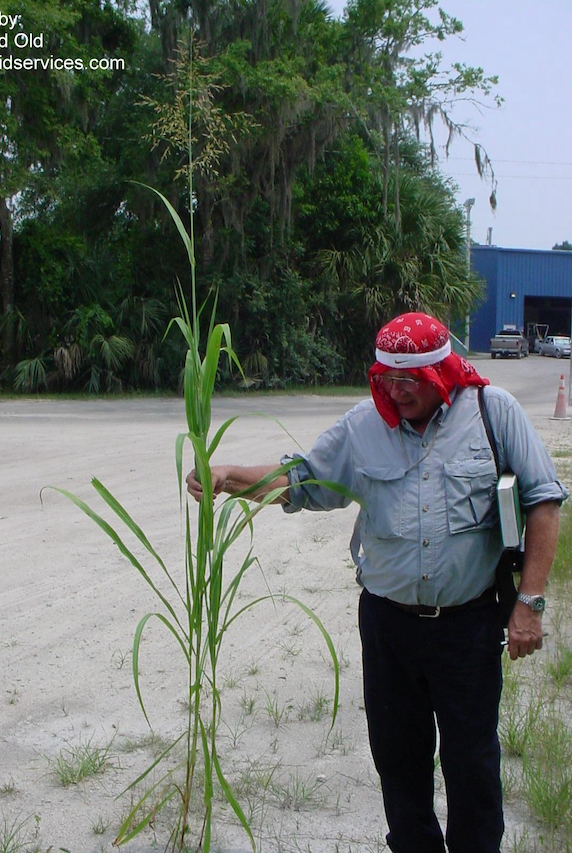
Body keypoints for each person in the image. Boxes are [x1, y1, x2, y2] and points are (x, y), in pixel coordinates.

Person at [186, 311, 568, 853]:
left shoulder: (491, 412)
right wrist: (229, 477)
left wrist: (528, 603)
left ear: (441, 373)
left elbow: (542, 501)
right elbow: (301, 481)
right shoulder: (363, 426)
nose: (397, 390)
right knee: (398, 761)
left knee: (472, 765)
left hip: (469, 627)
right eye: (387, 377)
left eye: (410, 379)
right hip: (390, 629)